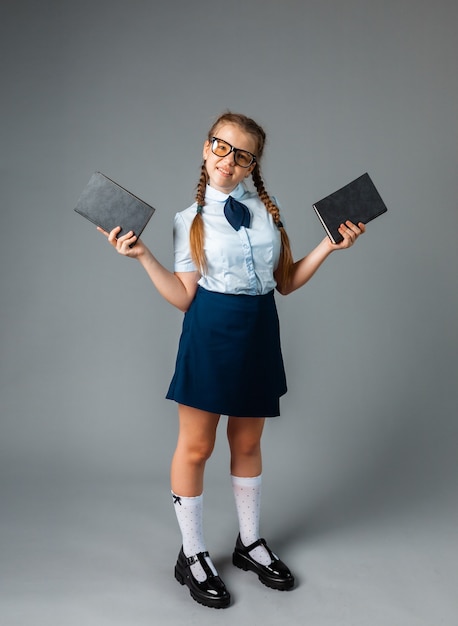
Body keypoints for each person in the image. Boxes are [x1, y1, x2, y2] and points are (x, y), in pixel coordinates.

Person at [98, 112, 365, 609]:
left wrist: (330, 244)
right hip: (210, 330)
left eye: (242, 155)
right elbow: (183, 297)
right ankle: (193, 553)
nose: (228, 159)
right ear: (206, 148)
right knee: (196, 447)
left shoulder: (269, 211)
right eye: (221, 147)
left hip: (259, 330)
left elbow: (284, 282)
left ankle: (249, 544)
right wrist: (141, 257)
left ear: (251, 165)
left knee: (247, 441)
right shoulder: (188, 220)